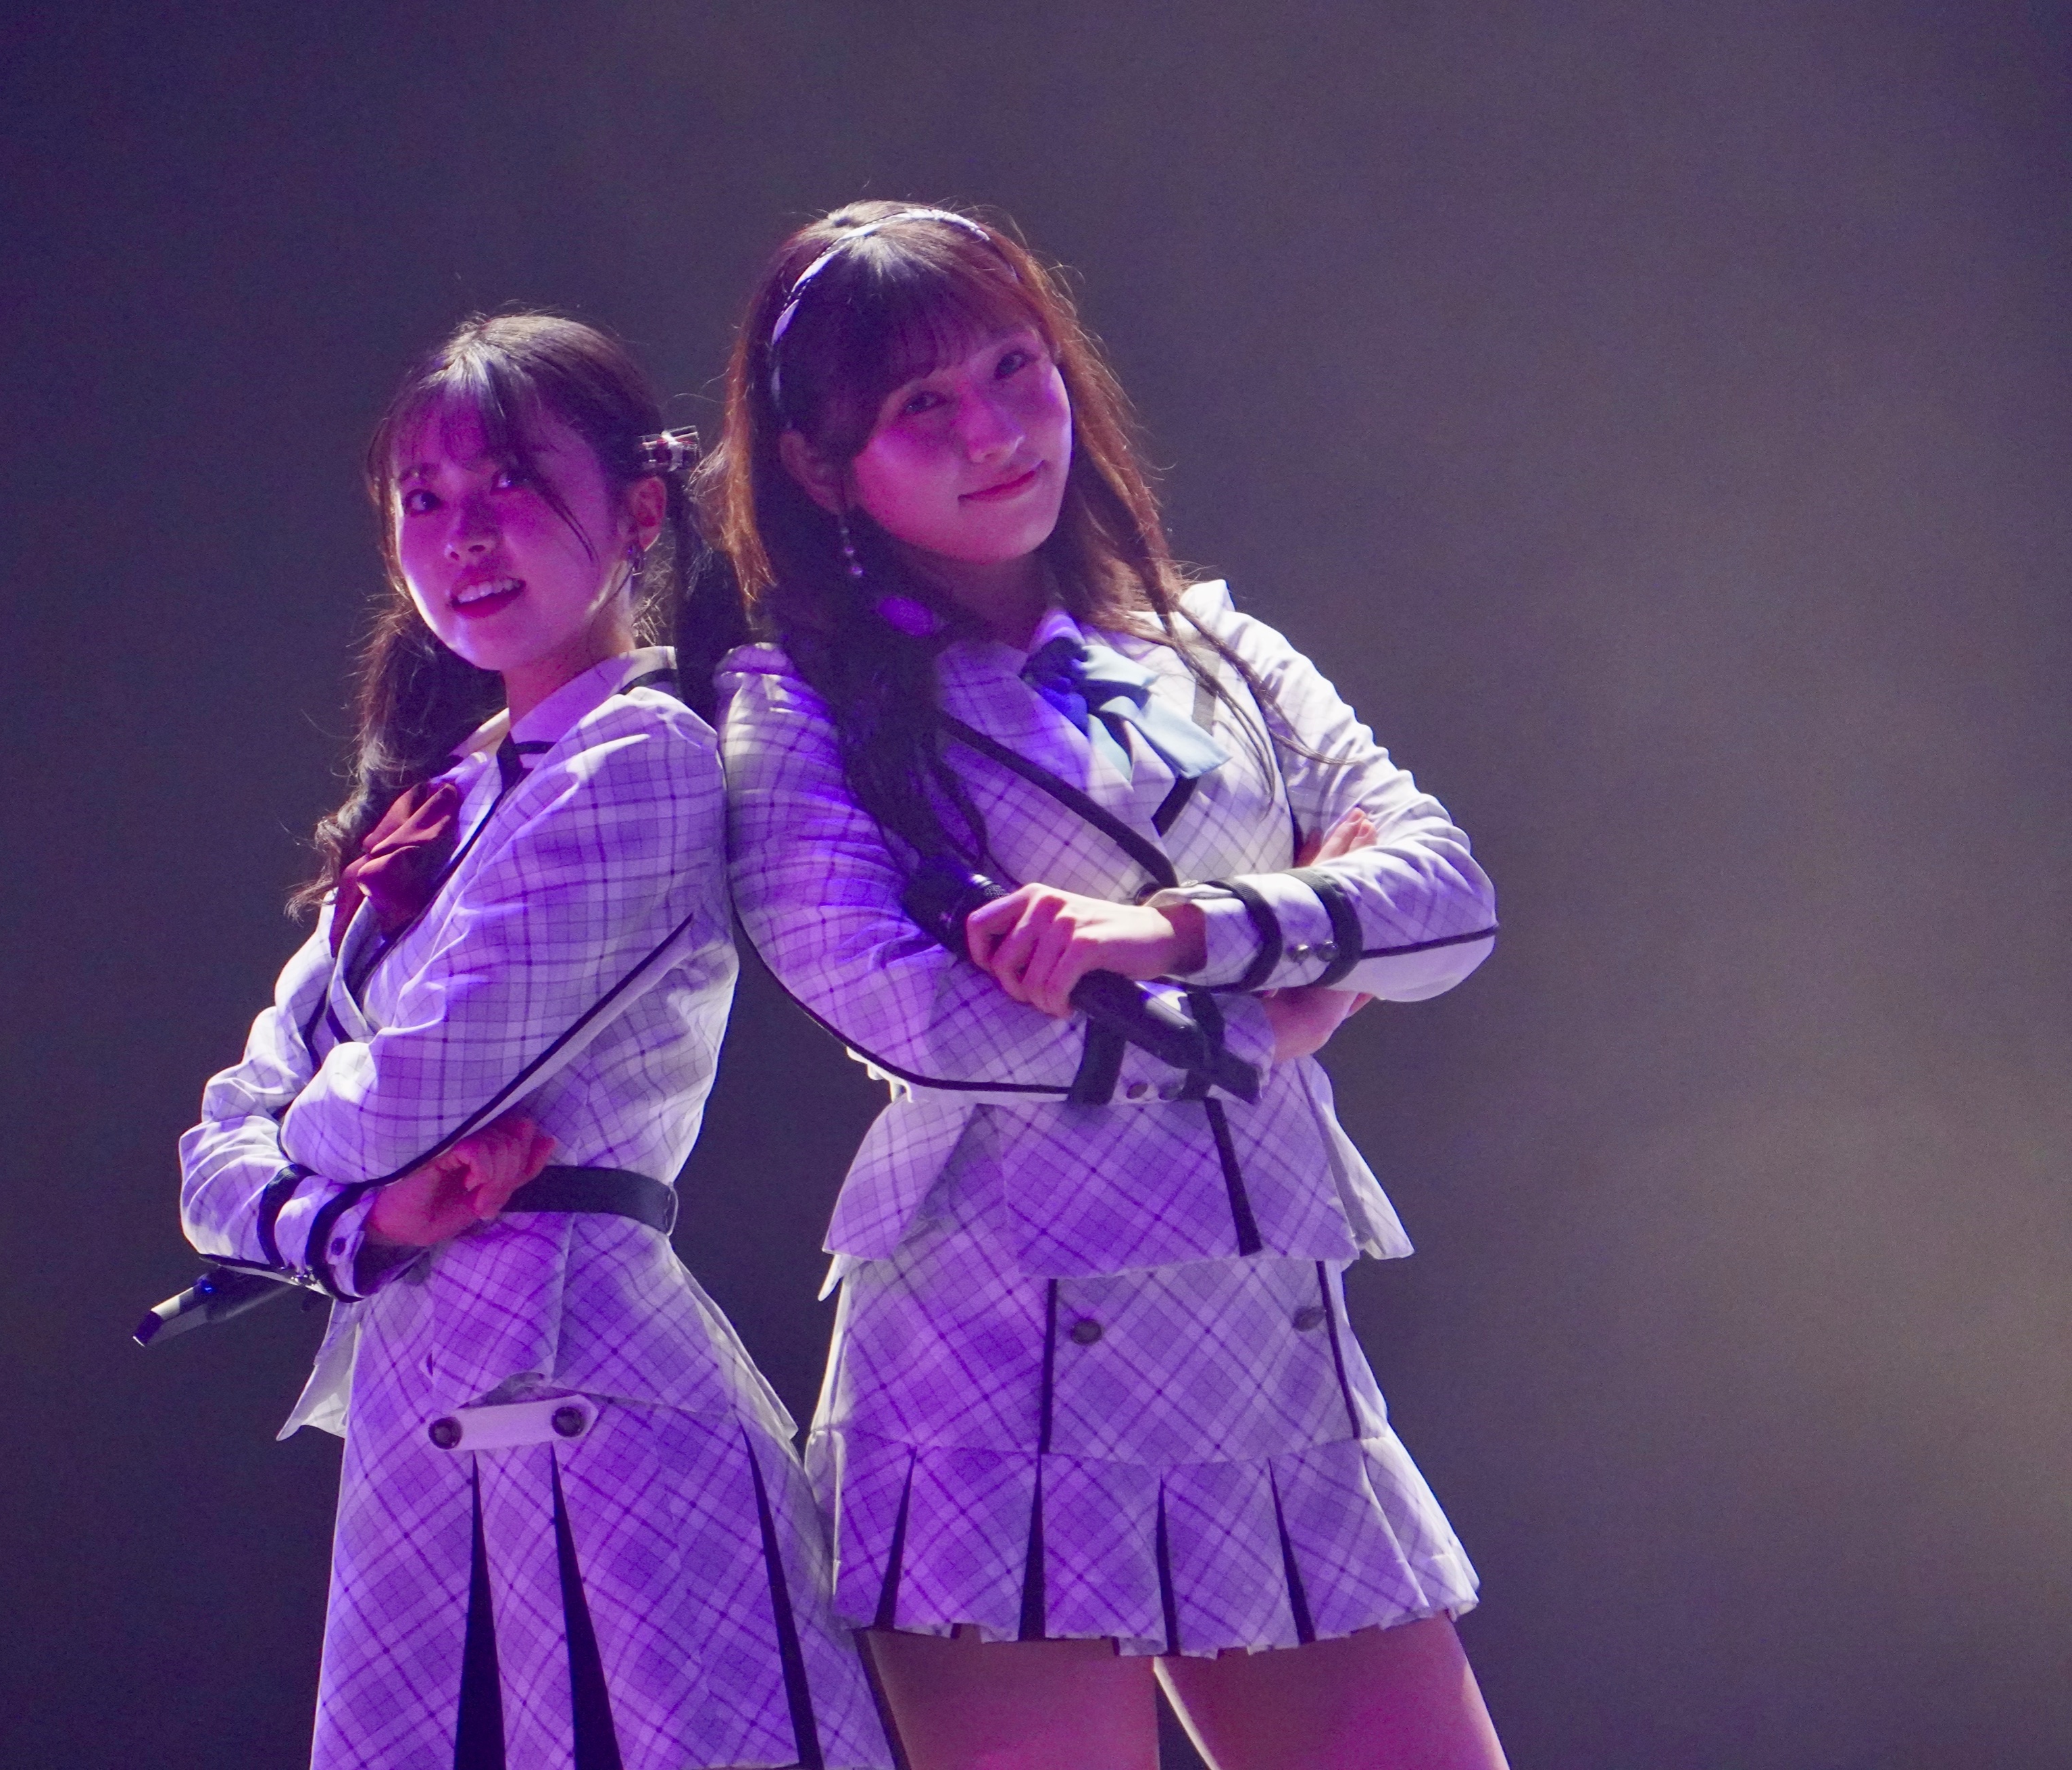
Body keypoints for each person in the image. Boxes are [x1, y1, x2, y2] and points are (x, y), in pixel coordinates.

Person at [706, 205, 1510, 1770]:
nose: (993, 430)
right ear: (819, 462)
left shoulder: (1217, 644)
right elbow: (903, 1007)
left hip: (1263, 1359)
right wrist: (1284, 1005)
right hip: (984, 1374)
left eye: (1015, 367)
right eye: (920, 403)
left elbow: (1447, 900)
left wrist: (1173, 936)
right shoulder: (793, 707)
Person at [177, 312, 889, 1770]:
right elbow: (214, 1147)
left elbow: (402, 1097)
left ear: (639, 512)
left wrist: (311, 1166)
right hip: (422, 1385)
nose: (464, 533)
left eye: (511, 483)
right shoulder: (435, 799)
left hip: (586, 1384)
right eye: (424, 498)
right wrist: (355, 1222)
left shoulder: (641, 758)